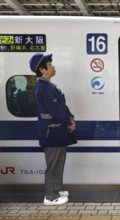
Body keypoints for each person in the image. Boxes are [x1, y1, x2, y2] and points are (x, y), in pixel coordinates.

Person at [30, 53, 77, 205]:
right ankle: (50, 196)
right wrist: (68, 122)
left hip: (56, 132)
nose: (53, 67)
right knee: (53, 165)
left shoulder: (49, 86)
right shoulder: (44, 88)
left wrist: (69, 118)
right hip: (52, 132)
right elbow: (56, 111)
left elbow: (61, 107)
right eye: (50, 65)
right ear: (42, 70)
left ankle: (56, 189)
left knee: (58, 163)